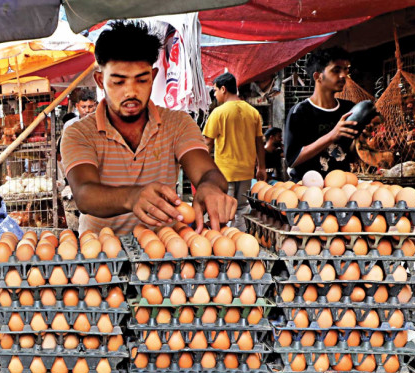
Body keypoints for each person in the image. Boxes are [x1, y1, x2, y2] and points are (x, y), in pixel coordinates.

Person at [60, 20, 237, 235]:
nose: (131, 92)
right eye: (119, 82)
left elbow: (207, 172)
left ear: (153, 77)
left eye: (141, 80)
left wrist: (210, 187)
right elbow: (84, 194)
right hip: (99, 249)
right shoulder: (79, 133)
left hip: (164, 247)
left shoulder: (177, 123)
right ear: (100, 80)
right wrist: (133, 196)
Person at [284, 47, 358, 182]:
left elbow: (351, 154)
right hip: (307, 187)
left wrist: (362, 141)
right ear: (318, 76)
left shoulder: (349, 109)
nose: (343, 75)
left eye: (346, 70)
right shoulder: (300, 112)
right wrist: (332, 135)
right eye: (336, 70)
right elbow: (292, 160)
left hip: (340, 186)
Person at [203, 72, 265, 231]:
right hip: (246, 172)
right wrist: (261, 168)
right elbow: (259, 142)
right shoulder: (253, 112)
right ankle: (239, 240)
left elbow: (207, 143)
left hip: (225, 174)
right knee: (242, 209)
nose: (215, 95)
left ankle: (222, 240)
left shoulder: (219, 113)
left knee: (222, 211)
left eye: (215, 90)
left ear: (223, 89)